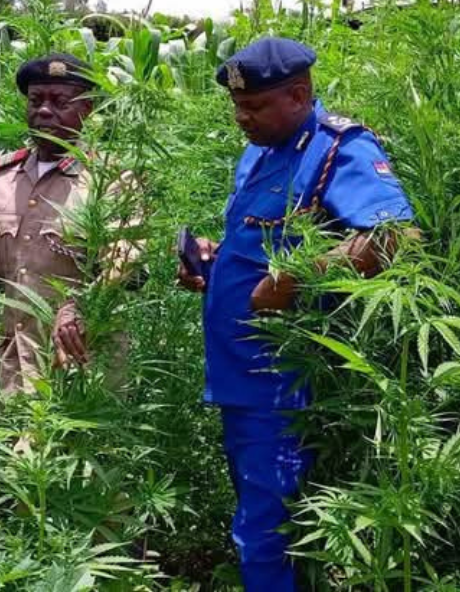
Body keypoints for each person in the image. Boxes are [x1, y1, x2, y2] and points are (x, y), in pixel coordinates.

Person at [178, 37, 415, 590]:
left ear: (300, 94)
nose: (242, 117)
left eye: (255, 106)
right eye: (237, 105)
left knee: (265, 532)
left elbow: (397, 236)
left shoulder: (338, 149)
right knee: (265, 524)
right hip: (239, 377)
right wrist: (212, 268)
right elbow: (260, 248)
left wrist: (293, 279)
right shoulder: (259, 150)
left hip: (283, 383)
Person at [0, 53, 130, 395]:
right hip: (16, 362)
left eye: (60, 102)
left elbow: (128, 265)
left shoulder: (110, 182)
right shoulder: (2, 180)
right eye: (35, 100)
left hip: (83, 363)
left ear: (86, 110)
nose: (44, 111)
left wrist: (83, 307)